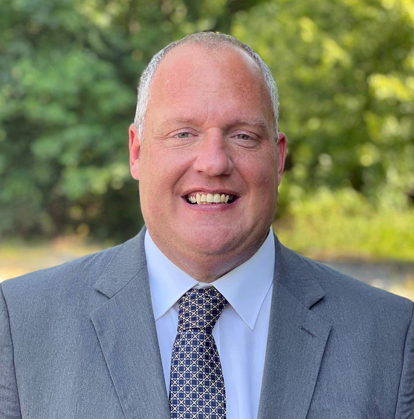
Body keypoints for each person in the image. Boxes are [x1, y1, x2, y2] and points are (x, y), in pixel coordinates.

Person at [0, 32, 413, 419]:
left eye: (244, 136)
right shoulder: (19, 324)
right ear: (137, 151)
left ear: (278, 157)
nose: (214, 162)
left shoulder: (394, 338)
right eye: (183, 133)